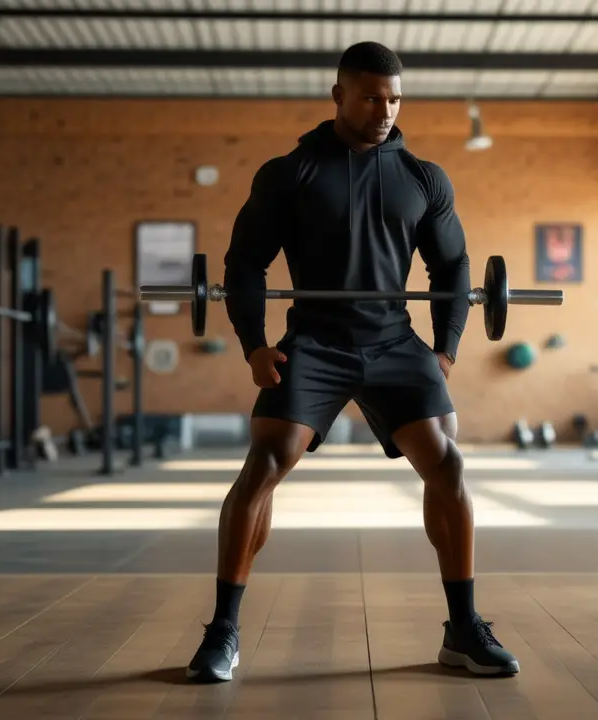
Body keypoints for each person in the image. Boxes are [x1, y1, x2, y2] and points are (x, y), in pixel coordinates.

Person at [184, 41, 521, 683]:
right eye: (371, 97)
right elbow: (244, 264)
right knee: (265, 462)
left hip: (395, 342)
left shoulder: (424, 177)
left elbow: (452, 266)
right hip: (315, 341)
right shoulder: (290, 172)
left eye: (394, 98)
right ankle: (223, 631)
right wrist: (255, 344)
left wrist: (444, 346)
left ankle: (463, 629)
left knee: (447, 464)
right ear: (338, 95)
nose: (384, 110)